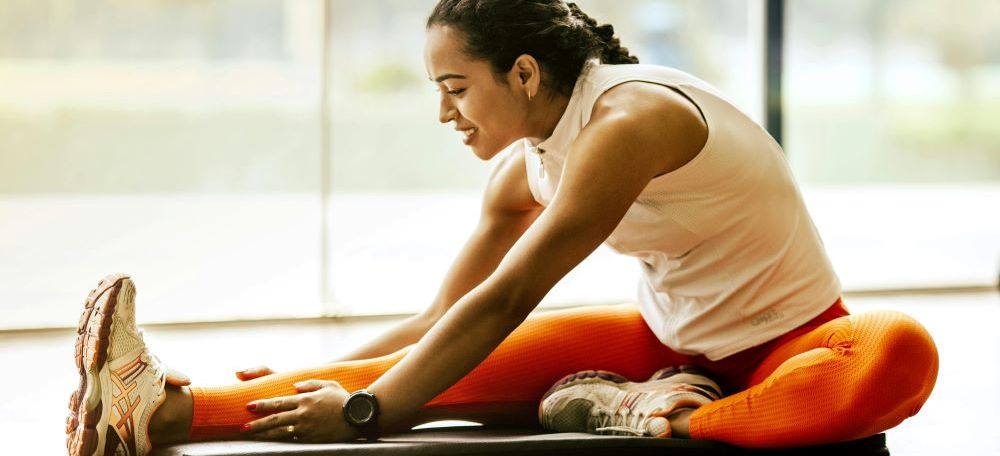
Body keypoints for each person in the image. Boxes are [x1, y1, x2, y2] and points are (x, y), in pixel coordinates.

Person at [65, 1, 939, 455]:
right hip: (667, 343)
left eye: (455, 86)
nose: (444, 112)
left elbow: (511, 296)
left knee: (902, 352)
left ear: (523, 72)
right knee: (429, 370)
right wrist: (321, 381)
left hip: (797, 347)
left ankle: (666, 421)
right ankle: (150, 412)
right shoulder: (522, 167)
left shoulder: (628, 126)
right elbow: (442, 319)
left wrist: (369, 415)